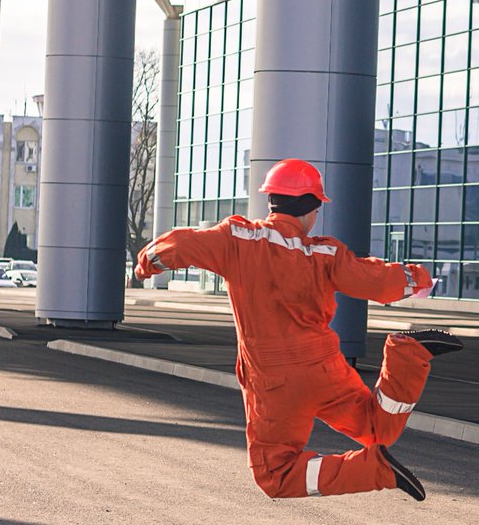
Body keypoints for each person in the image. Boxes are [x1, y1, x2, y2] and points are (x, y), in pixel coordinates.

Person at [134, 158, 462, 502]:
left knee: (276, 474)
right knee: (378, 428)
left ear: (271, 199)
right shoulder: (324, 252)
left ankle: (373, 470)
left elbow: (178, 245)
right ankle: (408, 356)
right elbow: (376, 280)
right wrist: (419, 280)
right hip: (324, 369)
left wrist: (146, 265)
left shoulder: (238, 239)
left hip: (274, 383)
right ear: (313, 208)